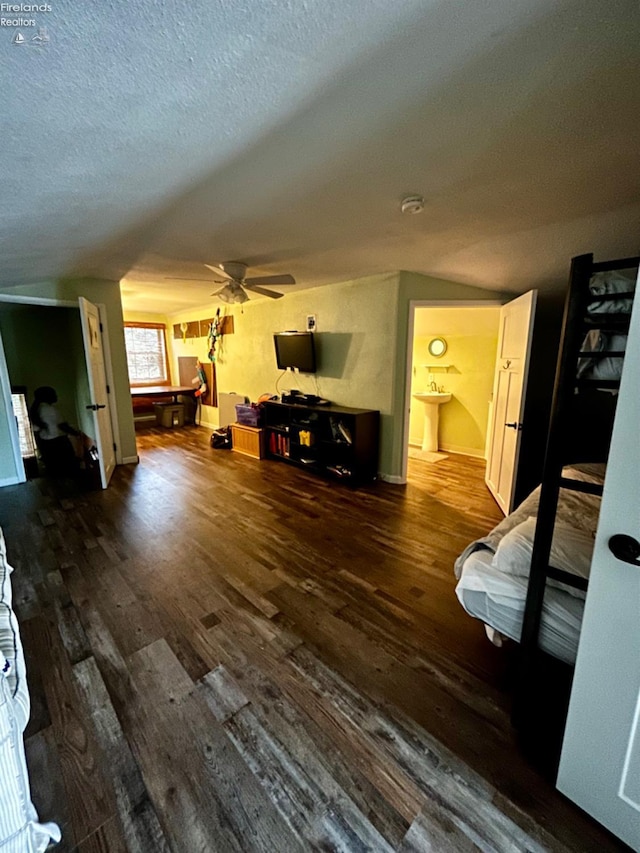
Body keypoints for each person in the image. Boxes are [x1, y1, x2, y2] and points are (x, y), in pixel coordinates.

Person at [29, 386, 80, 478]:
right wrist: (76, 434)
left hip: (46, 442)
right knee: (68, 466)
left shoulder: (38, 409)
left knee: (55, 468)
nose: (56, 396)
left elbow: (36, 430)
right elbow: (62, 425)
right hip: (58, 441)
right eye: (54, 394)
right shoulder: (49, 409)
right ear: (47, 396)